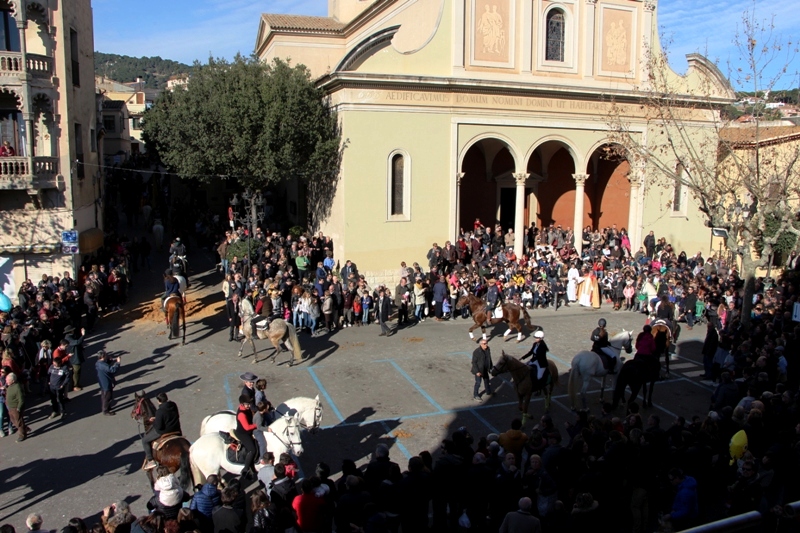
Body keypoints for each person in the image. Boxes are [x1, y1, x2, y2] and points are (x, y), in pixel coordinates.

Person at [143, 392, 183, 470]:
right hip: (176, 429)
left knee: (145, 440)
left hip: (165, 431)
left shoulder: (160, 411)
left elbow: (159, 426)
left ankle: (151, 460)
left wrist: (154, 421)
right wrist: (157, 418)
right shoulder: (173, 405)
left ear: (158, 400)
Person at [234, 394, 258, 478]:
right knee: (252, 450)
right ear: (242, 404)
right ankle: (245, 468)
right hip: (243, 433)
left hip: (247, 431)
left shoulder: (246, 409)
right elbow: (247, 427)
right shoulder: (241, 414)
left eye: (249, 404)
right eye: (247, 404)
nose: (249, 405)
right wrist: (256, 425)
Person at [96, 350, 121, 416]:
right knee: (107, 397)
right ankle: (105, 410)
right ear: (103, 356)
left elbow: (106, 366)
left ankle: (107, 407)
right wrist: (117, 363)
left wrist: (110, 360)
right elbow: (112, 370)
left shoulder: (98, 363)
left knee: (105, 396)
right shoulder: (103, 365)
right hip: (106, 383)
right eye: (106, 355)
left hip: (103, 382)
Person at [6, 372, 29, 441]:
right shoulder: (10, 386)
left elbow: (21, 399)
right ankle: (25, 428)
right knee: (13, 420)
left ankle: (22, 435)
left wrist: (19, 408)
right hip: (10, 407)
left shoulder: (17, 387)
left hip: (15, 408)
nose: (6, 381)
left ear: (13, 381)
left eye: (8, 380)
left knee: (19, 422)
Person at [63, 325, 86, 391]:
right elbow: (77, 342)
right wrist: (83, 335)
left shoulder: (71, 336)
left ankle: (77, 384)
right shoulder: (68, 338)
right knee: (76, 371)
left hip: (76, 356)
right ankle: (75, 385)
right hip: (74, 358)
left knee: (77, 371)